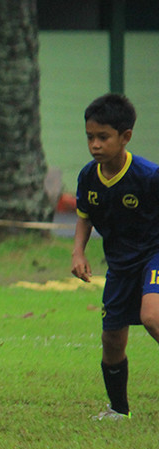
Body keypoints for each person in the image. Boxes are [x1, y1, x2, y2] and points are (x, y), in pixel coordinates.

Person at [71, 93, 159, 420]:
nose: (95, 145)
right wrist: (78, 251)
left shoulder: (148, 176)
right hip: (120, 265)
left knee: (152, 317)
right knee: (111, 340)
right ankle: (118, 410)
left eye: (103, 137)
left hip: (153, 255)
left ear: (125, 137)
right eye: (90, 137)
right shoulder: (88, 176)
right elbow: (84, 216)